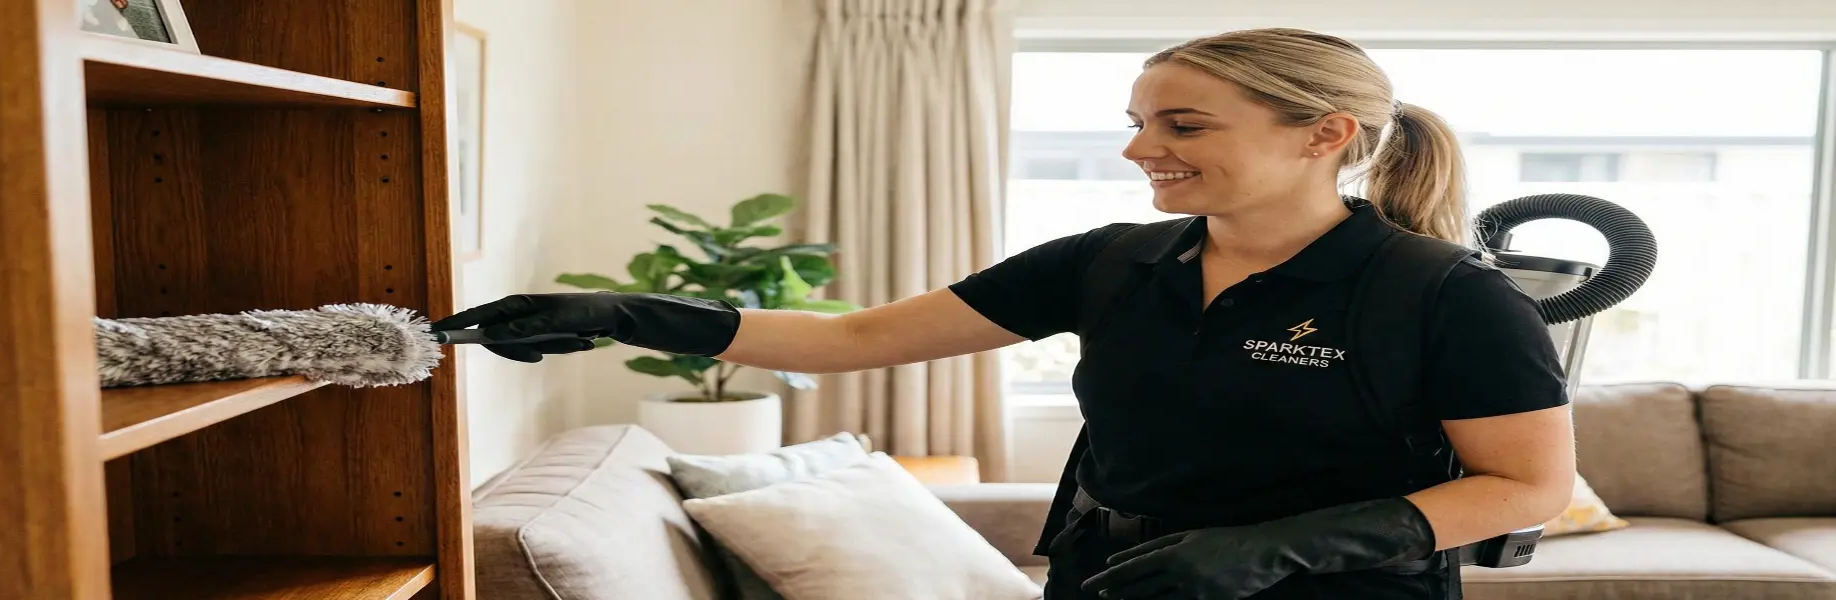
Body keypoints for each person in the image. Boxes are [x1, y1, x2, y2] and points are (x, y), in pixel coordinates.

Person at [434, 27, 1576, 600]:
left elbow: (1524, 485)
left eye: (1184, 126)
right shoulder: (1110, 263)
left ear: (1325, 134)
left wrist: (1271, 549)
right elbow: (856, 338)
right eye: (1139, 123)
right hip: (1108, 578)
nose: (1141, 150)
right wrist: (628, 313)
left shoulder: (1444, 295)